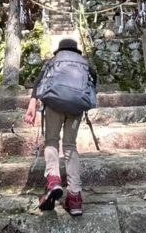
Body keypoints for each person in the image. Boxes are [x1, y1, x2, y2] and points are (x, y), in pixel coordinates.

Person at [24, 38, 96, 217]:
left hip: (54, 105)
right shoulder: (84, 63)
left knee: (51, 142)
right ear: (76, 50)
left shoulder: (53, 61)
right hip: (77, 107)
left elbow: (39, 83)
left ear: (59, 50)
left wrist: (32, 106)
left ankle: (54, 180)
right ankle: (75, 197)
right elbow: (93, 84)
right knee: (70, 147)